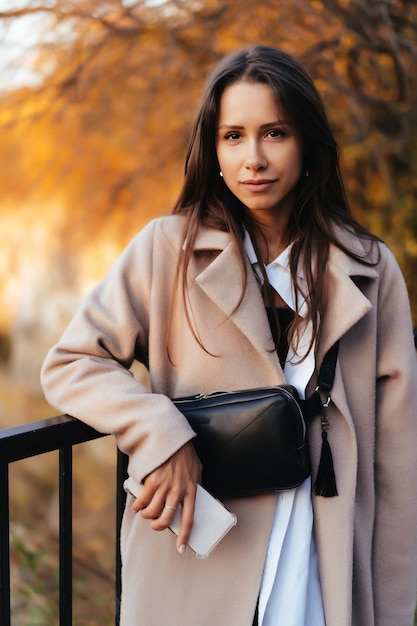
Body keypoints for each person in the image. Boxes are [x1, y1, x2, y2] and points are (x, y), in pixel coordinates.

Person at [41, 45, 417, 626]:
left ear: (307, 143)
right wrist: (161, 434)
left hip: (323, 559)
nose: (254, 159)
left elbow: (397, 463)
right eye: (233, 136)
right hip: (201, 554)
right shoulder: (167, 249)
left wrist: (393, 610)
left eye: (275, 133)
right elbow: (71, 363)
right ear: (213, 150)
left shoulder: (369, 268)